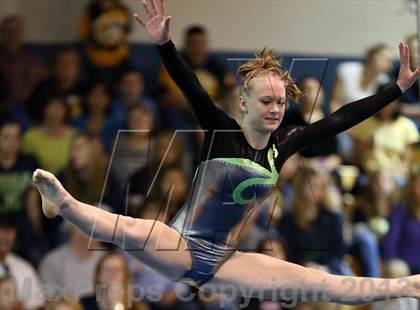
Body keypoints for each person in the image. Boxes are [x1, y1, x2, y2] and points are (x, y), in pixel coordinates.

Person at [32, 0, 420, 305]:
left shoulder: (282, 145)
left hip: (228, 261)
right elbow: (192, 87)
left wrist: (396, 90)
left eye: (281, 103)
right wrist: (164, 44)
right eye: (266, 101)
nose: (275, 109)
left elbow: (338, 121)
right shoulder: (221, 131)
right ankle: (63, 204)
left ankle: (409, 285)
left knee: (319, 283)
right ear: (244, 104)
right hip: (180, 247)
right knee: (134, 229)